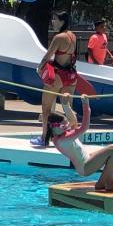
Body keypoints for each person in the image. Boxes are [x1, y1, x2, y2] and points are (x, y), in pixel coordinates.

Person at [45, 96, 113, 191]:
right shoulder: (63, 139)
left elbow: (72, 121)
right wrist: (86, 104)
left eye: (66, 124)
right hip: (85, 166)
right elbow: (84, 127)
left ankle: (101, 183)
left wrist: (65, 103)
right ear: (54, 126)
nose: (67, 127)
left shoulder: (59, 136)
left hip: (86, 160)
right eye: (63, 126)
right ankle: (109, 184)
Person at [32, 11, 80, 147]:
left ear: (62, 21)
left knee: (46, 109)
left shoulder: (59, 37)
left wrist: (40, 68)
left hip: (57, 77)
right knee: (68, 108)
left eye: (55, 19)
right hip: (71, 76)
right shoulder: (73, 36)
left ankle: (43, 138)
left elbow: (48, 56)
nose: (53, 22)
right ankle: (71, 138)